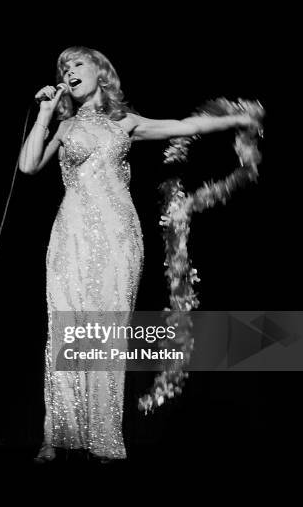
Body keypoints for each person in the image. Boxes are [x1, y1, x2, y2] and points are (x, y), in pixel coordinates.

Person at [19, 46, 259, 462]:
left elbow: (182, 125)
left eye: (77, 63)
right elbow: (27, 166)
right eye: (64, 67)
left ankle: (104, 438)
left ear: (100, 72)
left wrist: (236, 118)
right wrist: (45, 113)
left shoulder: (125, 123)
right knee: (66, 329)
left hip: (118, 235)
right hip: (70, 235)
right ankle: (57, 434)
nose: (69, 71)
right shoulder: (66, 127)